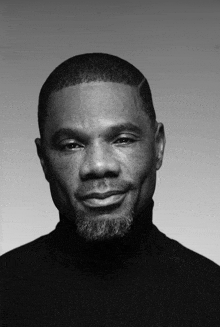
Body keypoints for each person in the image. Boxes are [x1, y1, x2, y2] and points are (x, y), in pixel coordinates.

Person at [1, 53, 220, 326]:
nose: (98, 165)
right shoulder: (5, 290)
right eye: (72, 145)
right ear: (43, 159)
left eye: (123, 139)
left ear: (158, 147)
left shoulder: (213, 296)